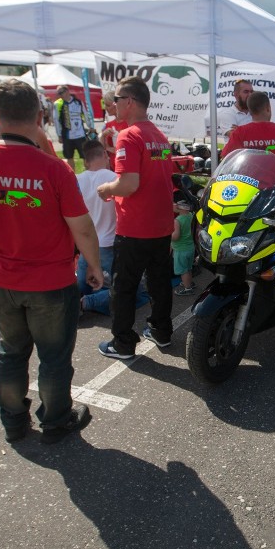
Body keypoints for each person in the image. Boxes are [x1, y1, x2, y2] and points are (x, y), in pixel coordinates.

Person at [0, 79, 103, 445]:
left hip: (0, 279)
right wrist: (95, 267)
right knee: (53, 358)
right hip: (50, 283)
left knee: (9, 351)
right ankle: (55, 421)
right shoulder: (54, 169)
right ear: (40, 117)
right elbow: (82, 228)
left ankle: (12, 421)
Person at [97, 76, 176, 359]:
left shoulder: (129, 135)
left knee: (124, 287)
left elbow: (128, 184)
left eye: (116, 100)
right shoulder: (159, 134)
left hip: (135, 227)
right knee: (159, 282)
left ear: (129, 101)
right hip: (161, 224)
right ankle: (161, 331)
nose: (113, 105)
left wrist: (106, 189)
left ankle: (123, 343)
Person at [76, 139, 149, 315]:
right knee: (131, 292)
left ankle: (72, 303)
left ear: (86, 160)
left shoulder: (76, 180)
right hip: (107, 244)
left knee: (81, 287)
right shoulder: (113, 179)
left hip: (86, 244)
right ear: (104, 155)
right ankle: (86, 303)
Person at [54, 85, 88, 170]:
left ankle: (88, 174)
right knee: (69, 157)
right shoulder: (58, 104)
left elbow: (85, 114)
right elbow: (56, 120)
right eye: (59, 93)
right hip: (67, 135)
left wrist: (90, 126)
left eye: (62, 92)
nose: (61, 95)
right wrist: (59, 135)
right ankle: (72, 177)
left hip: (80, 134)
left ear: (67, 91)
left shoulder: (78, 102)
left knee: (85, 156)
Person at [171, 200, 196, 296]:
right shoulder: (191, 215)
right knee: (188, 267)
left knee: (183, 270)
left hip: (181, 250)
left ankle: (187, 288)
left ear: (180, 207)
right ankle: (189, 282)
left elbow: (176, 236)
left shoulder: (177, 220)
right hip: (190, 247)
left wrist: (168, 235)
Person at [100, 90, 128, 168]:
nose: (105, 108)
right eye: (105, 105)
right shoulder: (108, 125)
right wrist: (103, 136)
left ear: (116, 105)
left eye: (108, 105)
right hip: (113, 167)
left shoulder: (130, 123)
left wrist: (112, 149)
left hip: (128, 167)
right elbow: (102, 150)